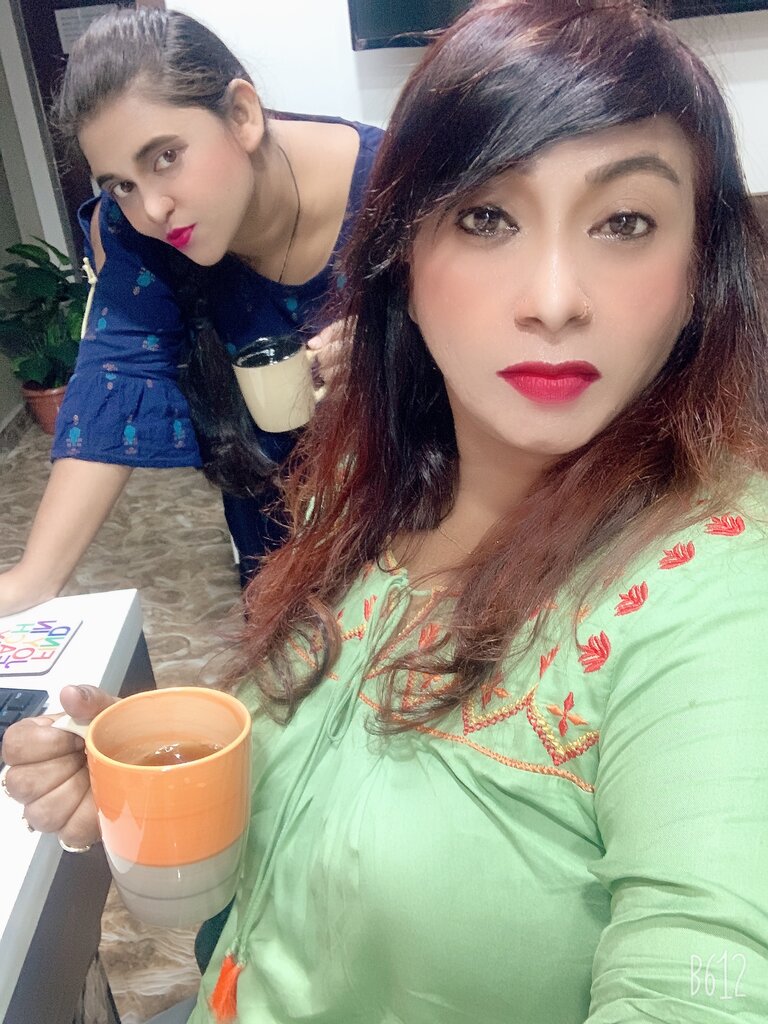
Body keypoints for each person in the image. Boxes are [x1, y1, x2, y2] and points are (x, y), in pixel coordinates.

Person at [4, 0, 768, 1020]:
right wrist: (171, 779)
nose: (553, 299)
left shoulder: (714, 597)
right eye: (487, 218)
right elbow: (116, 381)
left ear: (701, 273)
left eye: (625, 222)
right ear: (402, 260)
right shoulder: (366, 477)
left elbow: (708, 973)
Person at [0, 7, 382, 611]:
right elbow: (118, 370)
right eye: (121, 184)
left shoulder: (396, 185)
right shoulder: (140, 235)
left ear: (242, 114)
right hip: (274, 534)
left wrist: (399, 343)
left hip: (418, 531)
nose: (152, 208)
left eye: (165, 157)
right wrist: (34, 578)